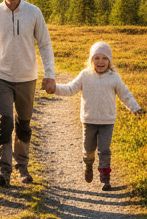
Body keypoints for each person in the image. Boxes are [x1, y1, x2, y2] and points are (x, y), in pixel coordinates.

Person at [0, 0, 56, 186]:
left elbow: (45, 44)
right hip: (2, 77)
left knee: (23, 124)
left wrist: (49, 75)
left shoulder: (34, 12)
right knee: (4, 121)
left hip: (27, 78)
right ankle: (3, 171)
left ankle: (22, 168)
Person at [54, 40, 140, 191]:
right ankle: (88, 165)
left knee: (104, 150)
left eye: (104, 58)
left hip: (107, 121)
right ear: (91, 59)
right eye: (97, 58)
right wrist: (54, 88)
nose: (101, 62)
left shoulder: (114, 77)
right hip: (89, 120)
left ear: (110, 61)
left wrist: (136, 109)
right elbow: (70, 88)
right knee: (88, 149)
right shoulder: (85, 75)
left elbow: (125, 95)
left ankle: (105, 179)